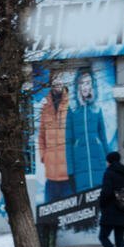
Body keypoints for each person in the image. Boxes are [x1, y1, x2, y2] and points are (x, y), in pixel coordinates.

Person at [66, 69, 108, 192]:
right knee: (84, 199)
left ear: (92, 85)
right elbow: (68, 141)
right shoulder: (72, 110)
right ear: (77, 86)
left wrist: (108, 160)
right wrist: (70, 169)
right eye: (82, 83)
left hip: (98, 161)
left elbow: (103, 137)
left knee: (99, 196)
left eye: (88, 83)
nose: (85, 87)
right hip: (80, 163)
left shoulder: (96, 109)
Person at [38, 73, 71, 202]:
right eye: (54, 82)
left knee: (70, 215)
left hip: (68, 175)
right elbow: (41, 136)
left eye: (60, 82)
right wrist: (43, 156)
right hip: (50, 175)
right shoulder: (46, 109)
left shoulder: (70, 106)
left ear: (64, 84)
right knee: (50, 216)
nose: (57, 85)